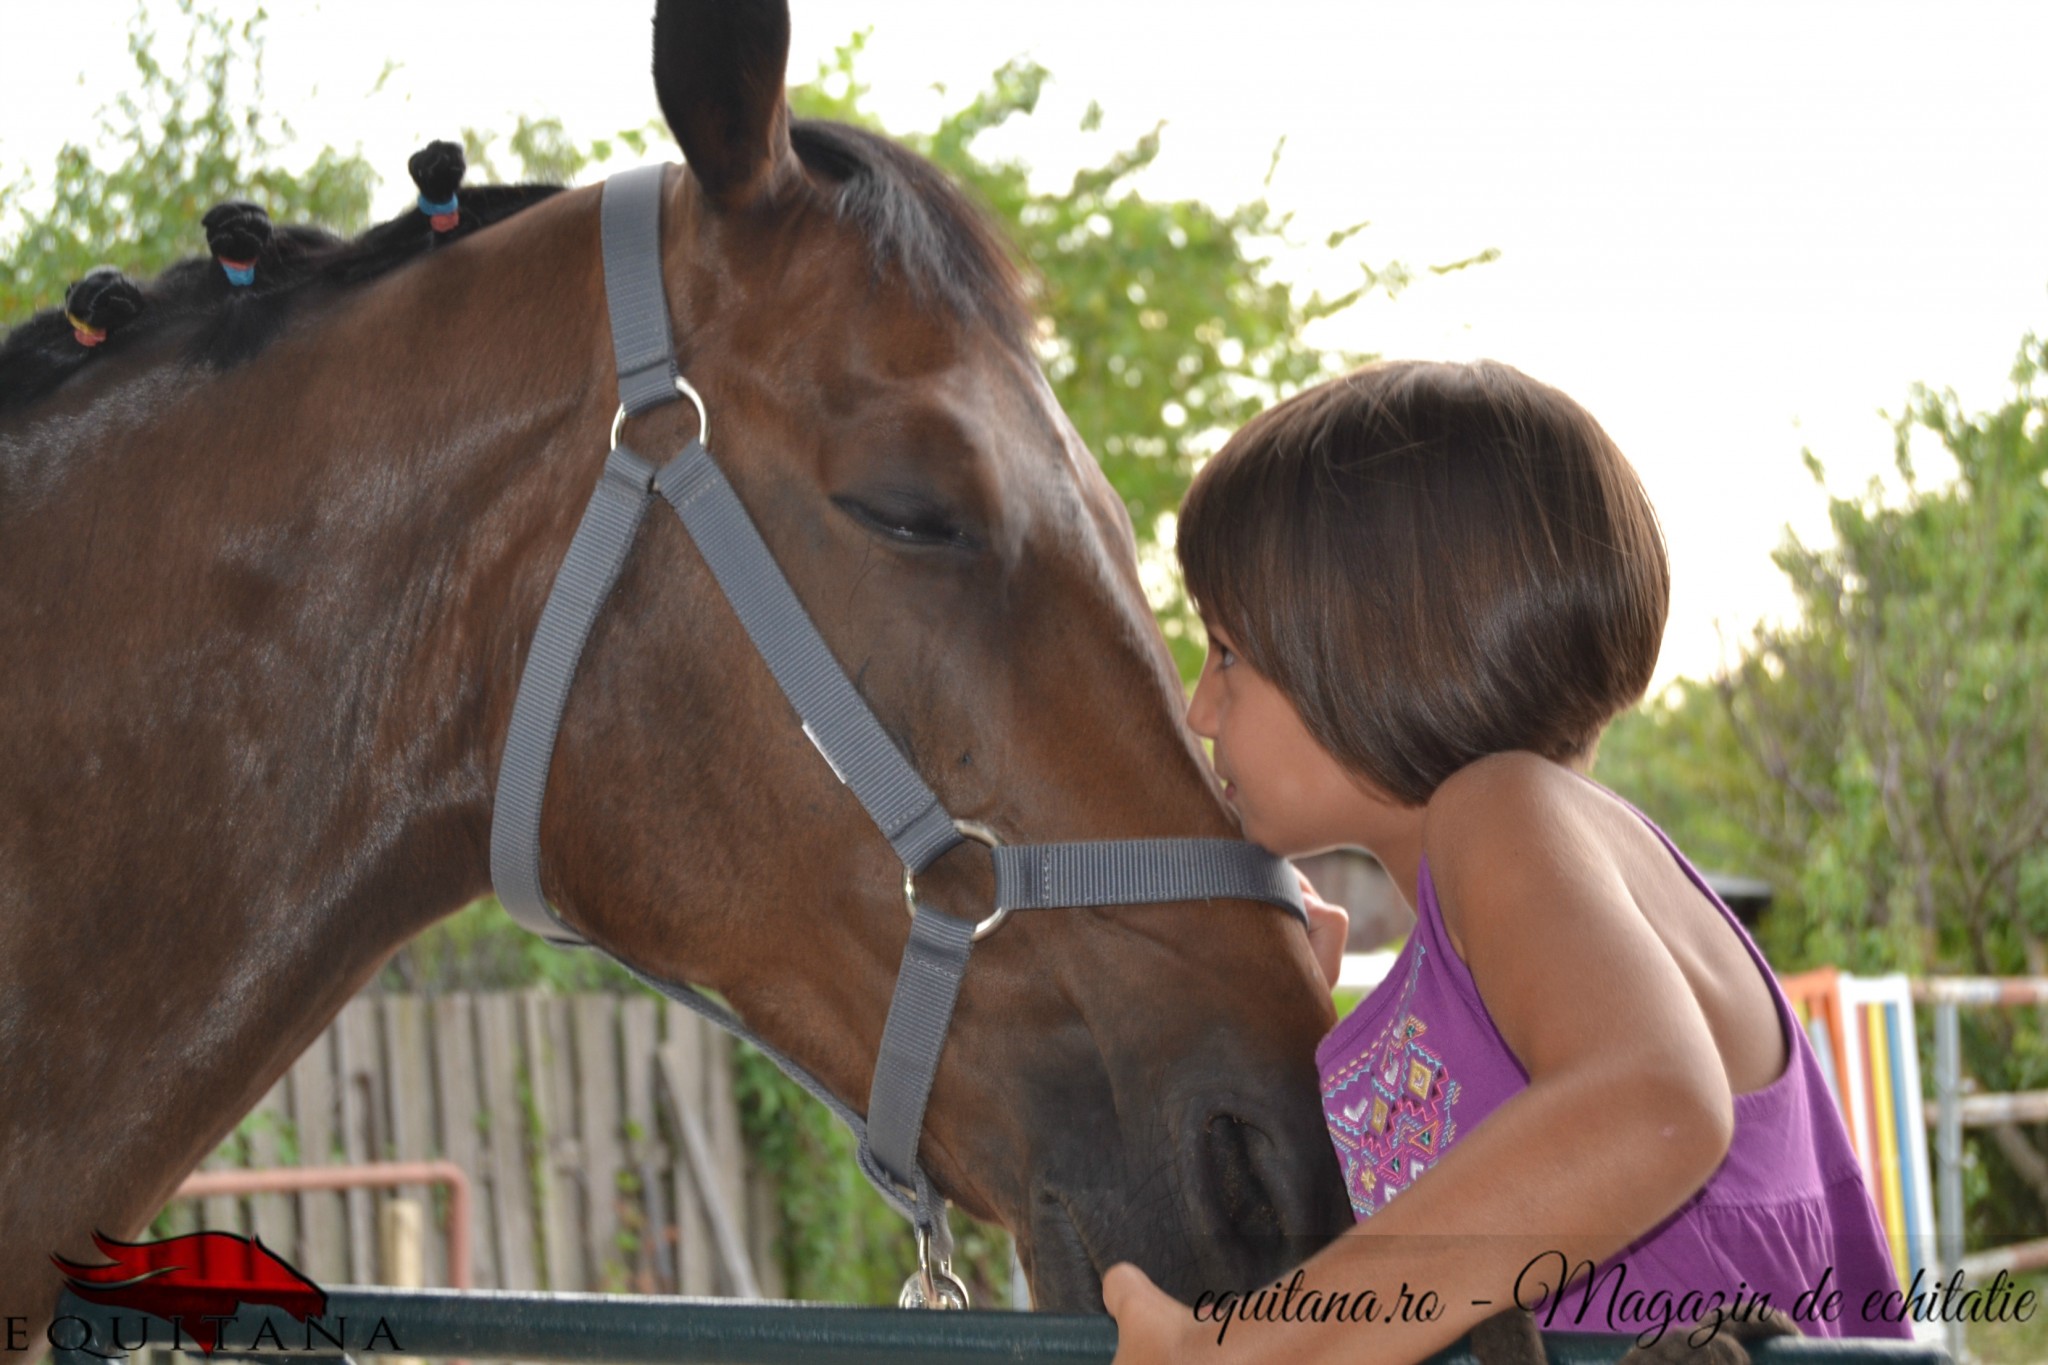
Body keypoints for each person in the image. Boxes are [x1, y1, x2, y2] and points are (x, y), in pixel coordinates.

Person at [1103, 360, 1908, 1363]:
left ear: (1373, 647)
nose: (1198, 708)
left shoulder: (1503, 810)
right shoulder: (1519, 880)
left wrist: (1241, 1352)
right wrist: (1295, 1037)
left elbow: (1649, 1109)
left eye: (1226, 652)